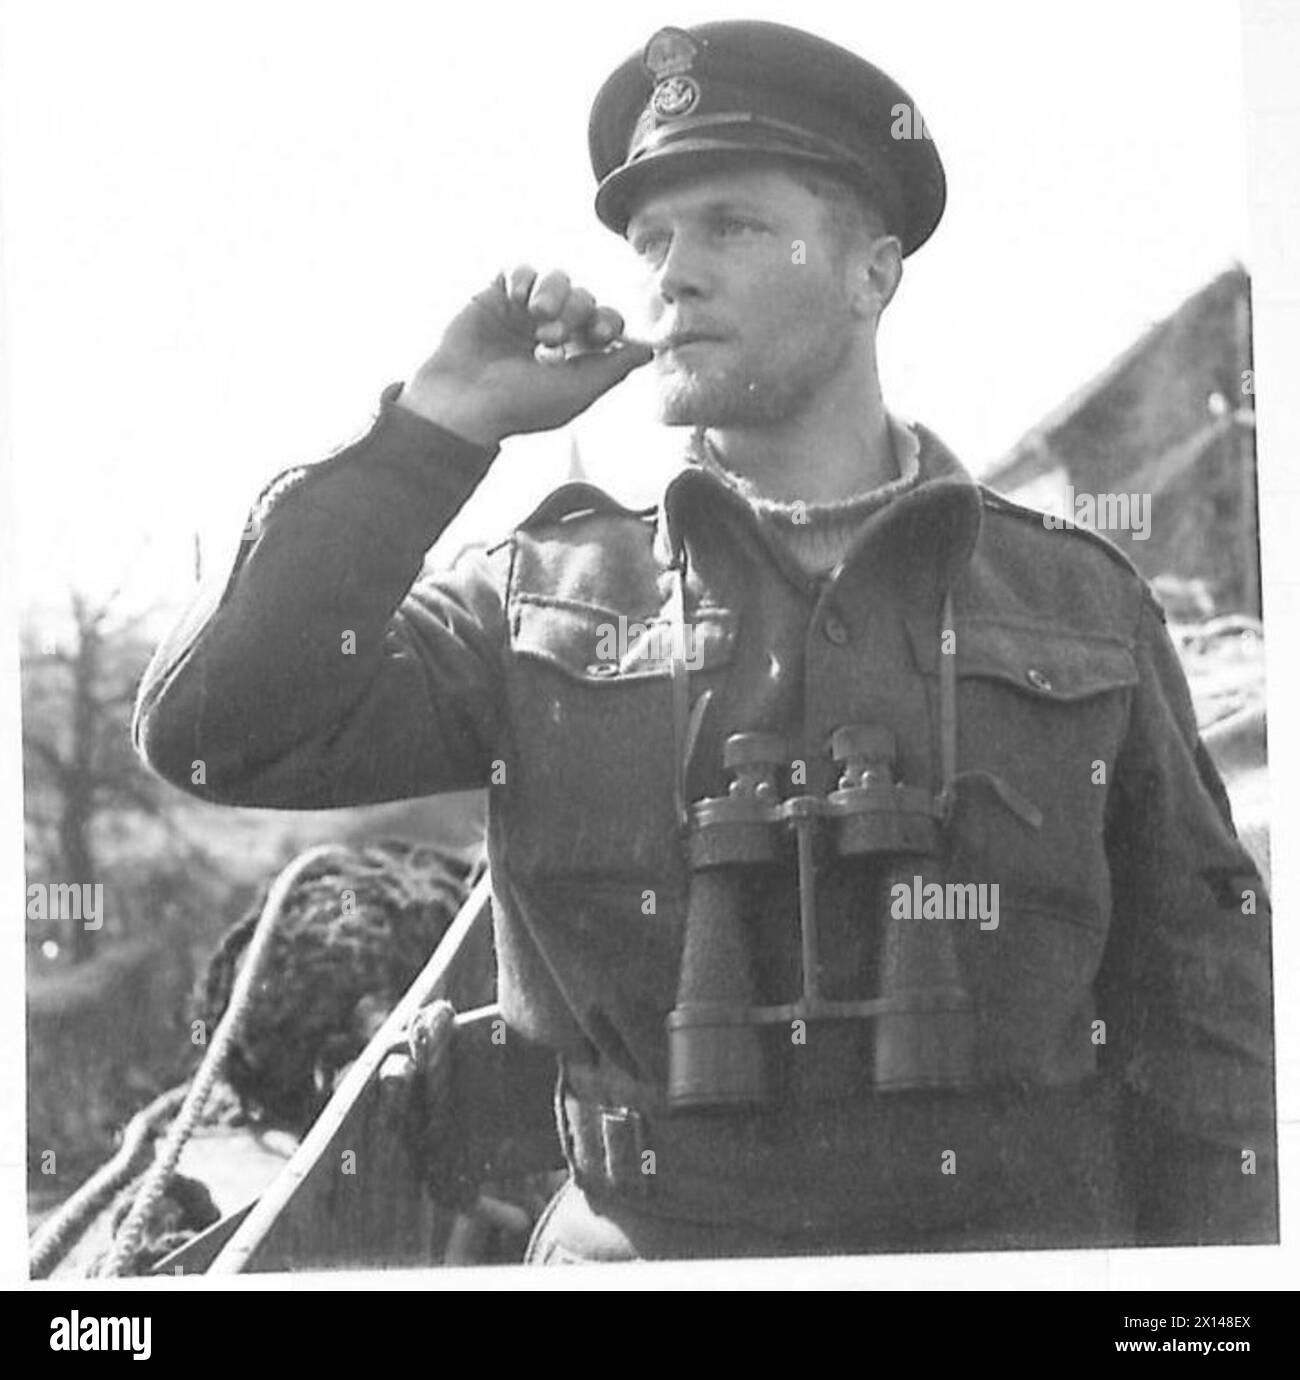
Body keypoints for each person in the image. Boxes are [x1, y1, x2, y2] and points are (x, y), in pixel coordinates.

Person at [134, 20, 1276, 1263]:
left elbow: (1207, 1020)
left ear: (870, 273)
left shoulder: (1077, 601)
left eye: (729, 225)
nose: (670, 273)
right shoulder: (538, 600)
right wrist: (437, 429)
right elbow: (215, 736)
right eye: (650, 241)